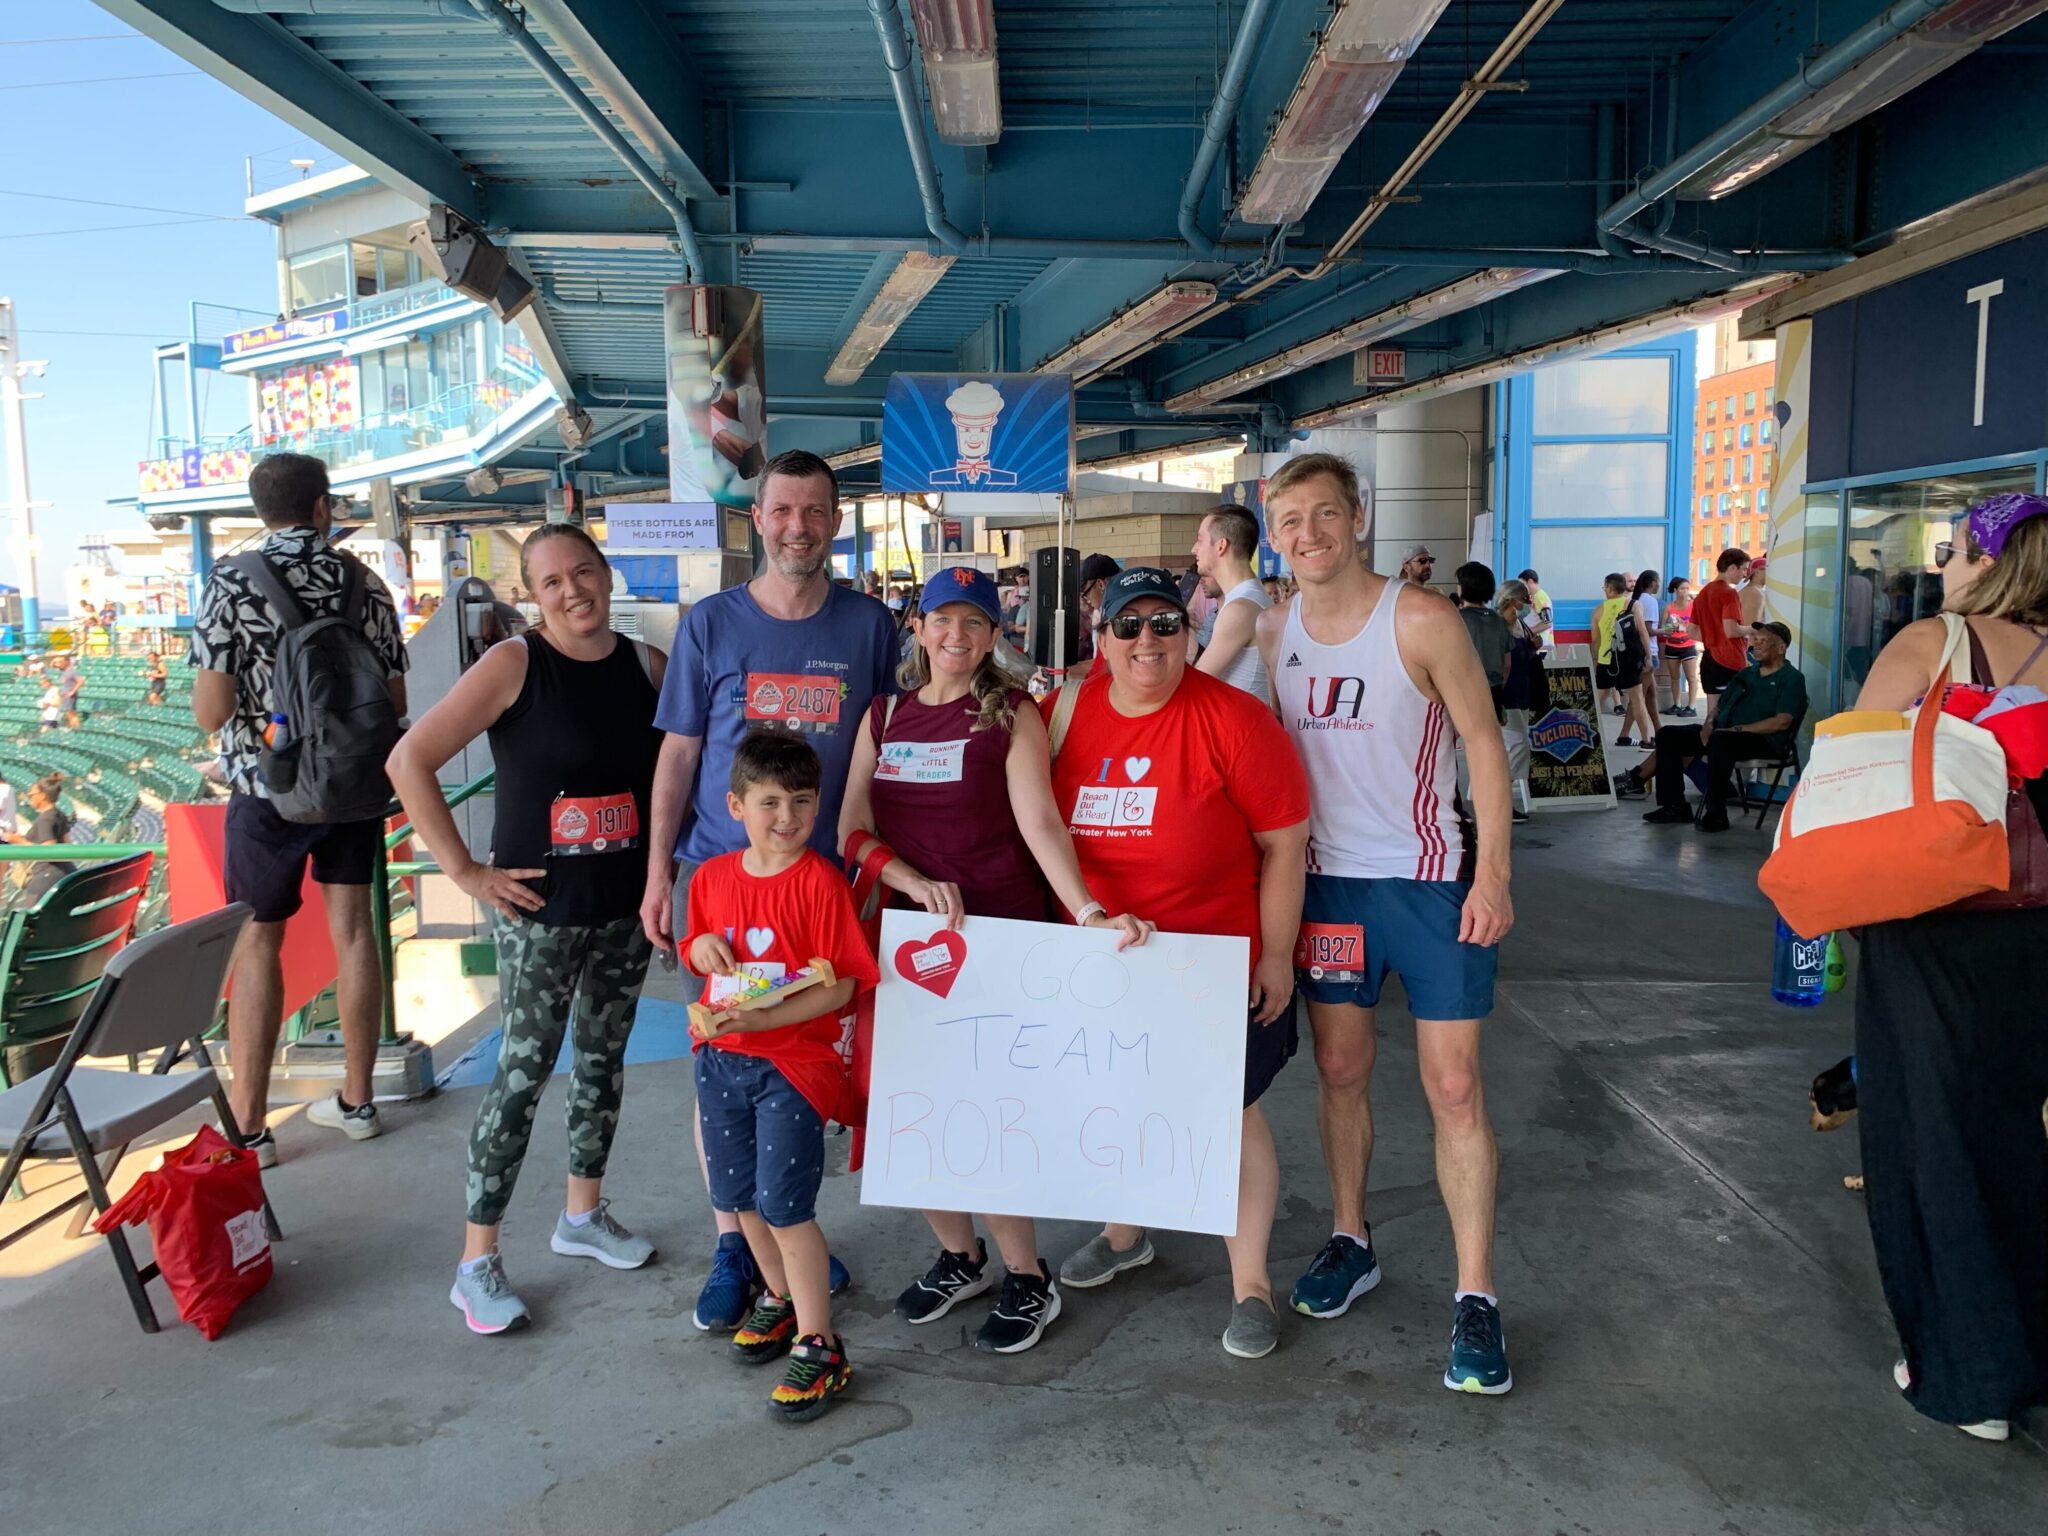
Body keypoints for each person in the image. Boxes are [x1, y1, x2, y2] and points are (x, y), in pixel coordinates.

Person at [1254, 452, 1518, 1395]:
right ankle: (1350, 1237)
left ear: (1357, 519)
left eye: (1325, 515)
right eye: (1290, 520)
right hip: (1328, 888)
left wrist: (1493, 874)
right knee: (1338, 1069)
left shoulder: (1420, 617)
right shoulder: (1271, 624)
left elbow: (1484, 741)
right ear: (1271, 529)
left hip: (1429, 881)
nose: (1308, 534)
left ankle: (1476, 1296)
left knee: (1454, 1088)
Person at [839, 564, 1149, 1353]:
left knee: (987, 1115)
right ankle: (958, 1255)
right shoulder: (884, 715)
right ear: (917, 626)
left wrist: (1084, 911)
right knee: (910, 1111)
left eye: (973, 623)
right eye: (943, 620)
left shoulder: (1012, 714)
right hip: (909, 944)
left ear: (993, 635)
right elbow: (850, 829)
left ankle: (1027, 1276)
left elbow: (1042, 825)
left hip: (998, 941)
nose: (956, 636)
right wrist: (906, 877)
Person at [386, 524, 666, 1336]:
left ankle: (582, 1214)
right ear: (532, 597)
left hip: (622, 907)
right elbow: (409, 761)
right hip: (539, 915)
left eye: (584, 572)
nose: (573, 590)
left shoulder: (645, 667)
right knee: (523, 1071)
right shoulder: (513, 665)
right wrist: (465, 872)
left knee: (603, 1062)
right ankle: (477, 1260)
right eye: (551, 582)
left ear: (608, 576)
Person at [640, 447, 897, 1332]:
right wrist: (659, 877)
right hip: (720, 891)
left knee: (807, 1066)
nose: (798, 527)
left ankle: (793, 1241)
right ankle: (734, 1247)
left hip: (821, 898)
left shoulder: (870, 627)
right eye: (782, 511)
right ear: (759, 520)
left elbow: (894, 745)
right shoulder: (710, 624)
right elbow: (677, 754)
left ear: (835, 521)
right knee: (722, 1061)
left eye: (814, 512)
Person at [1048, 567, 1309, 1361]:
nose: (1147, 642)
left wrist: (1274, 956)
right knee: (1122, 1098)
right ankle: (1127, 1233)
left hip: (1212, 961)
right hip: (1102, 961)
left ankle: (1252, 1284)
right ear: (1102, 639)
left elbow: (1285, 842)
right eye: (1129, 626)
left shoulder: (1235, 719)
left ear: (1191, 634)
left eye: (1165, 624)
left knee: (1229, 1116)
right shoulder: (1063, 710)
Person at [1846, 490, 2048, 1443]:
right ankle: (2026, 1349)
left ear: (1987, 559)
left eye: (1955, 548)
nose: (1943, 564)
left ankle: (1966, 1373)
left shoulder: (1932, 647)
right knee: (2016, 1135)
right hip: (2035, 933)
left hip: (1927, 927)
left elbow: (1845, 771)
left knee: (1928, 1138)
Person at [190, 451, 409, 1166]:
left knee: (259, 942)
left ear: (262, 510)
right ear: (323, 508)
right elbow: (396, 703)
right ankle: (357, 1100)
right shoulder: (364, 582)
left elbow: (210, 710)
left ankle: (251, 1128)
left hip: (265, 790)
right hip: (352, 787)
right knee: (354, 934)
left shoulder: (230, 581)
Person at [683, 731, 880, 1422]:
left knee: (785, 1207)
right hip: (720, 1064)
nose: (787, 818)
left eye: (801, 801)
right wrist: (700, 946)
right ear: (735, 805)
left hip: (793, 1068)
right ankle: (777, 1295)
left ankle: (820, 1343)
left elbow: (842, 985)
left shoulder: (821, 883)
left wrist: (764, 1023)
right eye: (769, 802)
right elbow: (702, 952)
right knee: (737, 1198)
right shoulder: (709, 880)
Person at [1628, 621, 1806, 832]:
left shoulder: (1791, 678)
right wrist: (1708, 725)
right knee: (1668, 734)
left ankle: (1716, 813)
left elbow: (1782, 721)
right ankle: (1674, 805)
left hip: (1764, 740)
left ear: (1781, 647)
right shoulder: (1747, 674)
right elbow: (1720, 707)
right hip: (1723, 734)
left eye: (1763, 641)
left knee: (1722, 741)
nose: (1755, 645)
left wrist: (1737, 730)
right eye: (1754, 640)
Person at [1191, 504, 1273, 697]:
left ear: (1221, 546)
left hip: (1240, 723)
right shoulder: (1248, 599)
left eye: (1200, 540)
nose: (1194, 549)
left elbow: (1195, 683)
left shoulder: (1240, 608)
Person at [1691, 549, 1754, 724]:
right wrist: (1753, 629)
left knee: (1712, 713)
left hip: (1710, 659)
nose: (1744, 574)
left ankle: (1709, 748)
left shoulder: (1703, 593)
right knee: (1733, 713)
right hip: (1730, 660)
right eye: (1743, 569)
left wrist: (1713, 639)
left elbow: (1692, 631)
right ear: (1732, 568)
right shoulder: (1729, 593)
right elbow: (1732, 631)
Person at [1495, 579, 1539, 824]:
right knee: (1520, 745)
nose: (1528, 603)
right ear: (1512, 600)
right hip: (1505, 695)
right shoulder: (1499, 625)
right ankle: (1499, 797)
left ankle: (1494, 795)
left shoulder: (1521, 624)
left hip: (1522, 692)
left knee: (1507, 749)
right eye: (1524, 598)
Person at [1454, 562, 1509, 720]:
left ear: (1465, 587)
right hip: (1495, 690)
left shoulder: (1458, 619)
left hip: (1466, 691)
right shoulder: (1499, 620)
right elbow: (1507, 664)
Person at [1592, 573, 1646, 738]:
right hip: (1628, 660)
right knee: (1637, 700)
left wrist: (1599, 658)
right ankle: (1646, 739)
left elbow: (1595, 640)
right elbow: (1642, 632)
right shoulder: (1634, 605)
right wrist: (1649, 657)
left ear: (1609, 588)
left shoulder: (1598, 610)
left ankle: (1584, 735)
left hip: (1606, 660)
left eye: (1604, 587)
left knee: (1597, 700)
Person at [21, 775, 74, 903]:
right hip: (65, 874)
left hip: (45, 879)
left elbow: (49, 852)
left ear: (43, 795)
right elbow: (68, 844)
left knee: (30, 919)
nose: (29, 796)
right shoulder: (59, 814)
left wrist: (17, 840)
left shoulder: (45, 819)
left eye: (32, 793)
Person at [1627, 569, 1664, 743]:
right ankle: (1625, 734)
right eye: (1658, 581)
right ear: (1653, 582)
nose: (1660, 585)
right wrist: (1665, 631)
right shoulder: (1649, 601)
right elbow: (1648, 630)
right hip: (1649, 652)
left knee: (1650, 694)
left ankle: (1660, 731)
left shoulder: (1636, 599)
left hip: (1638, 652)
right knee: (1638, 697)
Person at [1660, 577, 1701, 717]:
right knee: (1675, 677)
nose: (1685, 591)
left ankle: (1691, 706)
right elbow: (1663, 627)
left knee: (1691, 677)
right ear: (1675, 590)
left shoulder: (1694, 606)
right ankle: (1677, 704)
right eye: (1682, 588)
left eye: (1687, 588)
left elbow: (1699, 626)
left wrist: (1686, 631)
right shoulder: (1669, 607)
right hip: (1672, 645)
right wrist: (1671, 628)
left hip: (1688, 645)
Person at [1517, 568, 1553, 654]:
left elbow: (1547, 623)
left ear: (1530, 582)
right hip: (1537, 646)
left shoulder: (1540, 597)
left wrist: (1527, 631)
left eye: (1522, 585)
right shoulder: (1534, 597)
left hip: (1541, 647)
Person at [59, 654, 83, 728]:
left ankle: (76, 729)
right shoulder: (64, 671)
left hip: (70, 696)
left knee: (72, 713)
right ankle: (73, 728)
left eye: (62, 661)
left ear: (67, 661)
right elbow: (53, 664)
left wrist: (72, 691)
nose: (60, 663)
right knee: (68, 713)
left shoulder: (72, 671)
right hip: (65, 695)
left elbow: (81, 681)